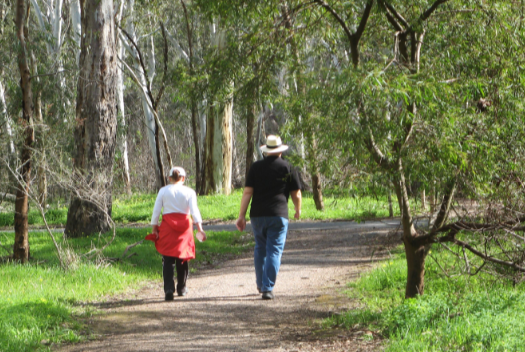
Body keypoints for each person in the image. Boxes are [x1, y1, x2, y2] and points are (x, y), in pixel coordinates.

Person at [236, 135, 302, 300]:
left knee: (260, 247)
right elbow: (297, 193)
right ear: (280, 151)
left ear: (266, 151)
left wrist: (241, 216)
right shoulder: (288, 167)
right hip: (278, 215)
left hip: (257, 215)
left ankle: (261, 283)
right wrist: (297, 209)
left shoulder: (256, 167)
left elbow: (247, 192)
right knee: (274, 250)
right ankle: (267, 288)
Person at [149, 166, 206, 301]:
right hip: (185, 228)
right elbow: (194, 211)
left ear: (169, 178)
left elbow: (156, 211)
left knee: (168, 259)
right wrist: (200, 228)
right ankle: (181, 287)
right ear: (183, 178)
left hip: (168, 227)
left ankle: (169, 289)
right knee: (182, 258)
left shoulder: (163, 191)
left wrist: (154, 228)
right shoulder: (189, 192)